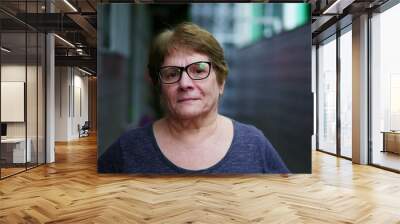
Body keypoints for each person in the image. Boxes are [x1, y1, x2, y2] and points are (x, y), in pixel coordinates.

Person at [98, 22, 289, 174]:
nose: (185, 83)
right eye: (172, 74)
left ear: (221, 82)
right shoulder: (128, 148)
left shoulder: (253, 143)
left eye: (199, 70)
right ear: (160, 86)